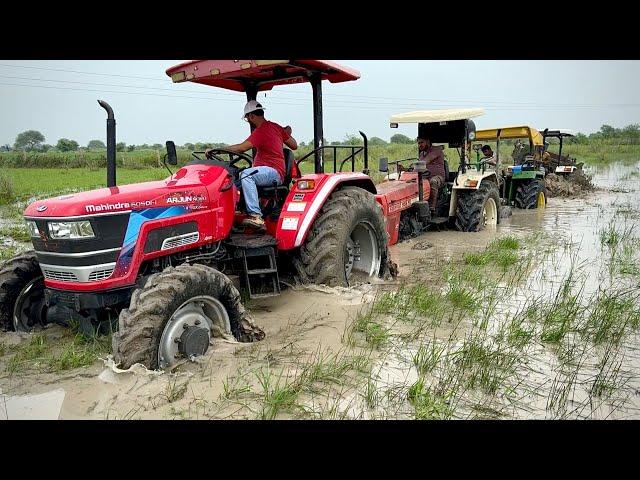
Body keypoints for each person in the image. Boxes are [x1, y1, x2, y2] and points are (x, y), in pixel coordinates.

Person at [209, 100, 298, 230]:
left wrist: (216, 149)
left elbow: (241, 148)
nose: (248, 120)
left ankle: (256, 216)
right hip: (268, 172)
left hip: (274, 172)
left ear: (251, 116)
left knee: (246, 175)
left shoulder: (261, 130)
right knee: (232, 181)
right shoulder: (276, 127)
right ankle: (232, 216)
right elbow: (294, 145)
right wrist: (285, 133)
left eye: (247, 118)